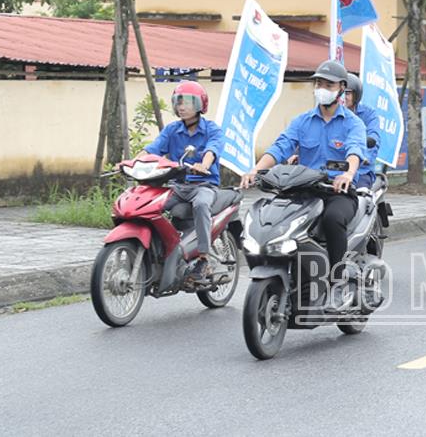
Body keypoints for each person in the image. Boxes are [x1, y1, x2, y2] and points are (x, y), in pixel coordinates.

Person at [241, 60, 366, 305]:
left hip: (337, 192)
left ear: (341, 88)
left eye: (328, 84)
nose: (321, 88)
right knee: (271, 216)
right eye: (318, 83)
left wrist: (348, 173)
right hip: (303, 191)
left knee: (332, 219)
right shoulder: (302, 121)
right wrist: (255, 170)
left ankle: (338, 282)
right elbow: (280, 147)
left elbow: (355, 150)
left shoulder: (353, 124)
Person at [141, 80, 225, 283]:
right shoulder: (172, 130)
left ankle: (204, 258)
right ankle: (158, 249)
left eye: (187, 102)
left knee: (201, 204)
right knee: (150, 205)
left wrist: (204, 165)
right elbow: (152, 149)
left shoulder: (212, 129)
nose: (182, 106)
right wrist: (133, 162)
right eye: (178, 102)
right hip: (178, 186)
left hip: (204, 185)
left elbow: (212, 149)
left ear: (200, 105)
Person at [344, 72, 381, 188]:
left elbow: (374, 138)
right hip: (334, 168)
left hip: (361, 171)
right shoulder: (330, 115)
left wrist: (365, 157)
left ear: (357, 95)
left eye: (347, 93)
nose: (343, 97)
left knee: (359, 194)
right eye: (341, 93)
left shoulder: (369, 114)